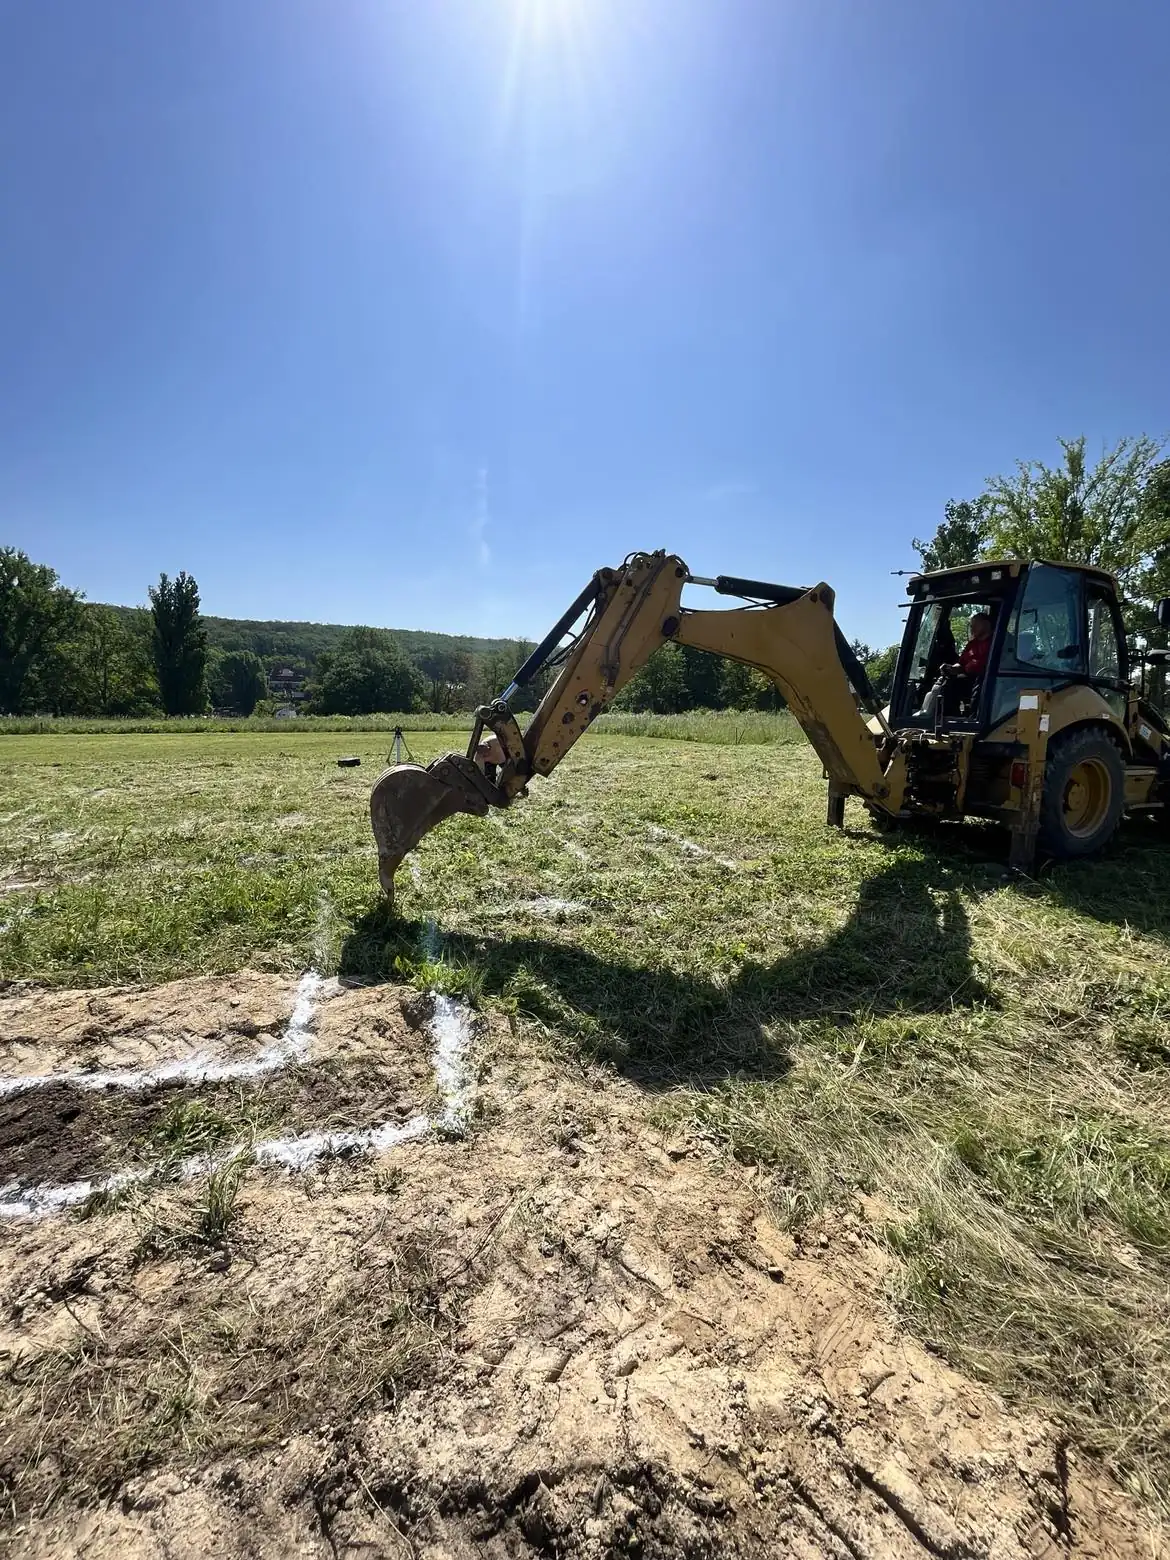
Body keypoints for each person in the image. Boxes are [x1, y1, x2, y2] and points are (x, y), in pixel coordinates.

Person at [920, 611, 994, 720]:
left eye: (975, 625)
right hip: (969, 679)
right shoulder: (972, 644)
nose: (972, 628)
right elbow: (961, 663)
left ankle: (974, 718)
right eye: (971, 625)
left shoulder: (997, 641)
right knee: (946, 684)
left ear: (986, 624)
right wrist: (952, 668)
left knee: (979, 683)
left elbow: (987, 664)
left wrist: (969, 668)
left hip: (988, 681)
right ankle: (947, 718)